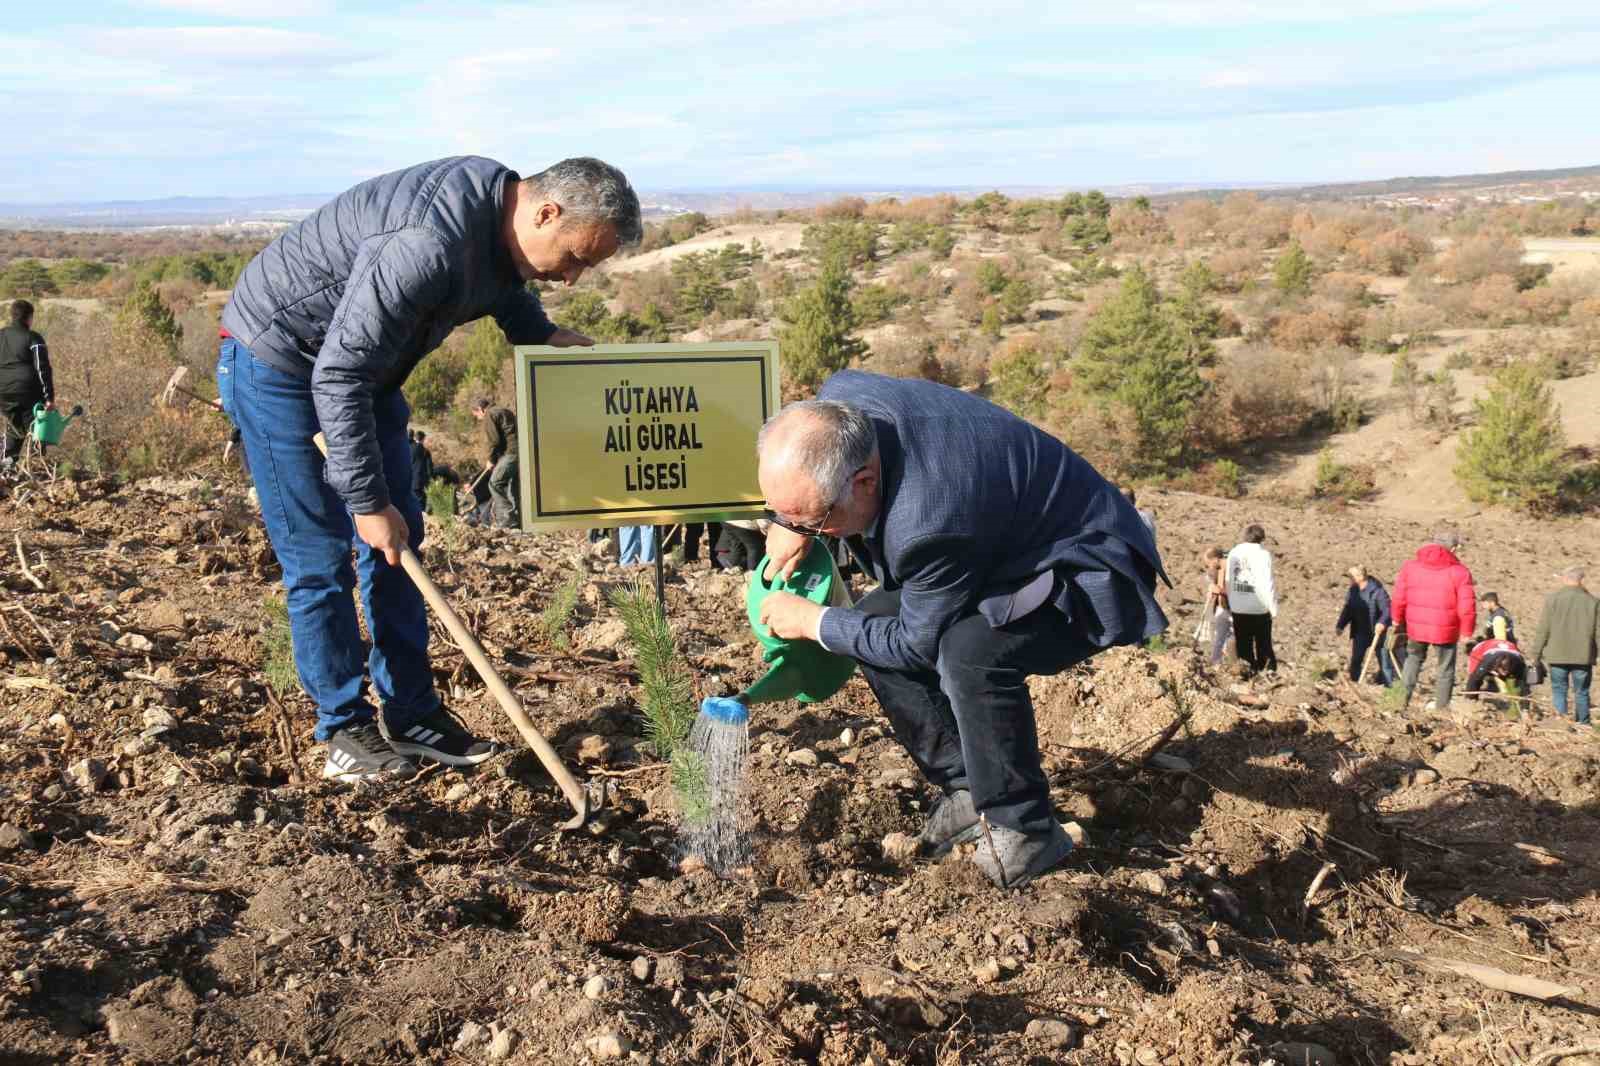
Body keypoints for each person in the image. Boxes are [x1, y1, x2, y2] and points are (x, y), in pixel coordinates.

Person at [217, 155, 640, 782]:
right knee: (321, 555)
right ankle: (343, 729)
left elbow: (502, 278)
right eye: (576, 258)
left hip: (365, 371)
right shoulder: (426, 245)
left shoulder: (501, 212)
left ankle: (412, 714)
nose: (573, 278)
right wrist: (365, 503)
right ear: (545, 212)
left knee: (399, 543)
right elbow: (338, 374)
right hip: (281, 363)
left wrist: (537, 333)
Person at [755, 371, 1167, 888]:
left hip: (1082, 562)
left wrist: (815, 621)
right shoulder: (841, 406)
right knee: (873, 620)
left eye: (815, 521)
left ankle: (1026, 829)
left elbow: (913, 644)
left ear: (862, 482)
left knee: (970, 651)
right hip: (1000, 540)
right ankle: (967, 789)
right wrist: (790, 523)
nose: (807, 532)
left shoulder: (931, 518)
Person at [1392, 530, 1476, 711]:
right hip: (1446, 630)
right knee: (1445, 669)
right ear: (1453, 548)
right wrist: (1466, 631)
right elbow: (1467, 606)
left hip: (1416, 626)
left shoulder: (1410, 567)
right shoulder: (1460, 572)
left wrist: (1396, 619)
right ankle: (1441, 709)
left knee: (1412, 660)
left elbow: (1399, 597)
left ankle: (1399, 703)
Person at [1528, 567, 1599, 724]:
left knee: (1559, 689)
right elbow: (1598, 631)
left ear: (1565, 579)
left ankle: (1561, 722)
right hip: (1583, 655)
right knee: (1582, 691)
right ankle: (1584, 724)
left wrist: (1536, 654)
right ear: (1581, 580)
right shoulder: (1593, 602)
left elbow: (1543, 629)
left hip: (1557, 654)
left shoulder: (1553, 599)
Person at [0, 299, 54, 465]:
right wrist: (49, 397)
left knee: (14, 425)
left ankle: (8, 462)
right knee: (36, 425)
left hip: (2, 391)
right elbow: (42, 368)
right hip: (27, 390)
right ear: (29, 317)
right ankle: (38, 464)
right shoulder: (33, 337)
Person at [1226, 525, 1278, 675]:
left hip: (1238, 607)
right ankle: (1267, 672)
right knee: (1264, 643)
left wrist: (1232, 602)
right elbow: (1267, 582)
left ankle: (1247, 674)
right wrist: (1273, 607)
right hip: (1259, 607)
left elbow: (1229, 579)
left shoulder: (1234, 552)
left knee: (1243, 644)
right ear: (1262, 538)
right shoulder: (1263, 554)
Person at [1336, 565, 1397, 685]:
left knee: (1385, 662)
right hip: (1360, 632)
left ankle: (1389, 688)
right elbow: (1348, 609)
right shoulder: (1353, 591)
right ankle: (1355, 684)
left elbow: (1388, 610)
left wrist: (1382, 622)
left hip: (1379, 634)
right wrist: (1340, 625)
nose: (1350, 579)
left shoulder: (1378, 591)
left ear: (1361, 576)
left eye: (1351, 577)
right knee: (1356, 660)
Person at [472, 398, 520, 528]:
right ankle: (517, 520)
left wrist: (491, 460)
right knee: (512, 487)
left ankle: (508, 519)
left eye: (477, 415)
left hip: (511, 453)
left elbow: (495, 441)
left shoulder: (489, 414)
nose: (478, 419)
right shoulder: (504, 411)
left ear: (481, 409)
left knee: (494, 483)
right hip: (520, 453)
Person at [1463, 636, 1528, 706]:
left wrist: (1524, 702)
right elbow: (1474, 679)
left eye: (1506, 671)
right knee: (1476, 676)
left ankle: (1521, 705)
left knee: (1521, 683)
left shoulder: (1520, 665)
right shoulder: (1486, 660)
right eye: (1503, 670)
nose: (1504, 673)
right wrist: (1471, 699)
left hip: (1509, 652)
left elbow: (1524, 683)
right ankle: (1471, 699)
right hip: (1485, 652)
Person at [1201, 546, 1232, 666]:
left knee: (1229, 639)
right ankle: (1216, 663)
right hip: (1222, 607)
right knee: (1218, 638)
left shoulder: (1230, 569)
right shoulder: (1219, 570)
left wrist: (1218, 590)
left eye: (1208, 563)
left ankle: (1229, 663)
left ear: (1214, 559)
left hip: (1231, 608)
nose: (1208, 566)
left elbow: (1232, 592)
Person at [409, 430, 435, 508]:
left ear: (415, 437)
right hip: (420, 481)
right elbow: (429, 469)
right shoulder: (426, 452)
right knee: (420, 504)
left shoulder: (409, 448)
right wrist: (430, 480)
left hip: (409, 480)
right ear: (423, 439)